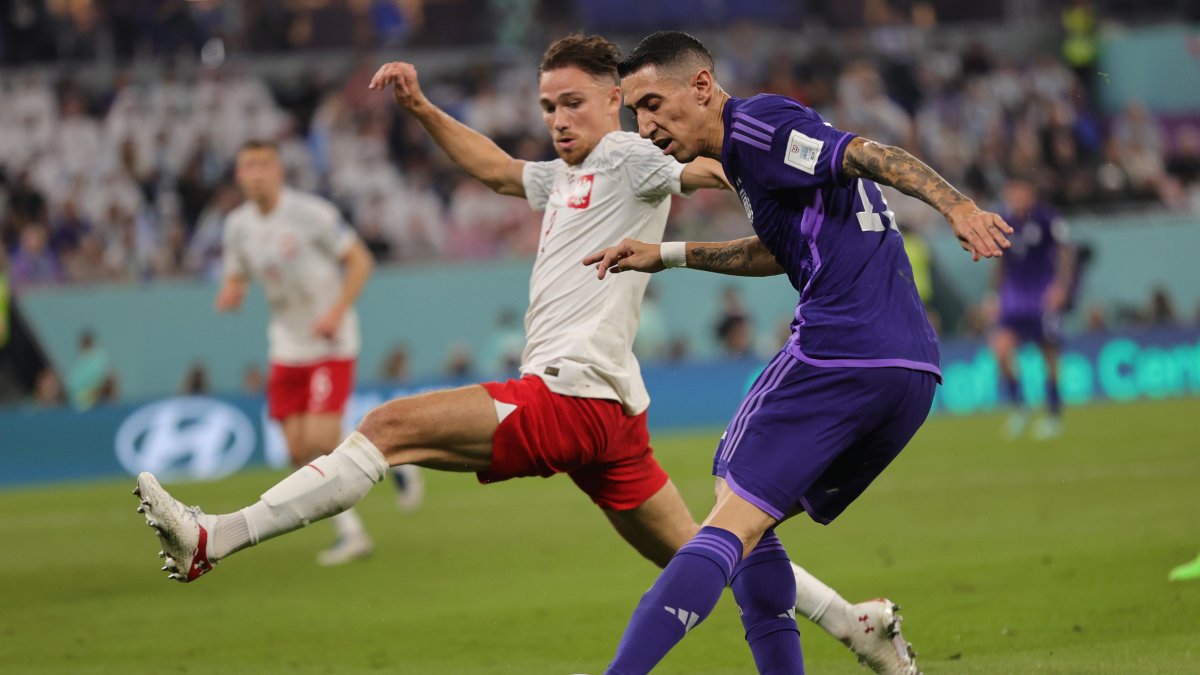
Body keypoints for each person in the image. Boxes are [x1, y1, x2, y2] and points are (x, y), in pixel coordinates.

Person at [135, 35, 918, 674]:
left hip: (572, 395)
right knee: (715, 544)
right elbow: (497, 171)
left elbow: (706, 165)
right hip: (612, 414)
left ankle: (214, 537)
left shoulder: (634, 156)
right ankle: (854, 623)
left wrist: (748, 176)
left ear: (614, 100)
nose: (558, 119)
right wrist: (422, 108)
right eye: (548, 106)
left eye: (573, 102)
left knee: (387, 426)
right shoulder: (570, 174)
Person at [583, 31, 1011, 674]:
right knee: (747, 520)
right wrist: (668, 255)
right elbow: (778, 250)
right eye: (634, 113)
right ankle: (851, 631)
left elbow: (867, 153)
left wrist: (957, 206)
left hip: (842, 349)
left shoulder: (757, 127)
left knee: (728, 516)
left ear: (701, 86)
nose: (644, 127)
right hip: (908, 370)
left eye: (651, 104)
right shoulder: (749, 157)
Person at [214, 140, 384, 566]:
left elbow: (360, 261)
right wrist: (232, 291)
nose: (256, 173)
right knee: (296, 451)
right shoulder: (237, 226)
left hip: (329, 341)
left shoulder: (312, 213)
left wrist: (336, 312)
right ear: (239, 176)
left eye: (263, 165)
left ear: (279, 171)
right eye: (248, 166)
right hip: (287, 346)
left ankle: (391, 455)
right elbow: (238, 274)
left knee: (322, 442)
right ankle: (352, 532)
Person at [988, 177, 1075, 440]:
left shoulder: (1047, 219)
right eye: (1011, 192)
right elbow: (1000, 261)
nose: (1015, 197)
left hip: (1041, 295)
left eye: (1019, 192)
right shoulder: (1004, 221)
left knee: (1048, 354)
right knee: (1000, 350)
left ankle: (1053, 414)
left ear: (1030, 192)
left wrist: (1060, 286)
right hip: (1014, 296)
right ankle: (1019, 408)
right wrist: (994, 295)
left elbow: (1066, 252)